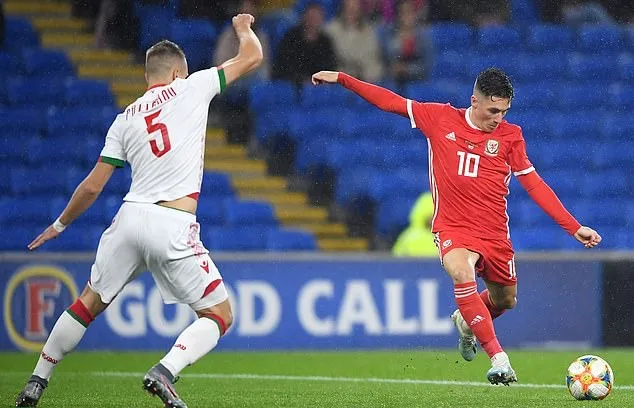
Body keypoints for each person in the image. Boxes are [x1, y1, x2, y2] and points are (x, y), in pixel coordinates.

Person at [15, 14, 263, 408]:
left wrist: (60, 223)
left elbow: (94, 185)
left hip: (129, 220)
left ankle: (35, 382)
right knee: (219, 315)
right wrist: (243, 28)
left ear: (148, 76)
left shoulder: (124, 119)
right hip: (173, 222)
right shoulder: (192, 87)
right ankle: (164, 371)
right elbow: (251, 57)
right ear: (179, 71)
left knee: (85, 305)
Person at [311, 68, 601, 385]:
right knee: (462, 272)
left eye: (504, 112)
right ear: (473, 101)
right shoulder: (439, 118)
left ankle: (466, 321)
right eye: (493, 111)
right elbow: (389, 102)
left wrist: (573, 227)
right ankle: (499, 359)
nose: (498, 118)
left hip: (494, 234)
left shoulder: (511, 136)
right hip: (453, 228)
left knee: (506, 300)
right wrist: (343, 78)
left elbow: (534, 184)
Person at [272, 2, 336, 83]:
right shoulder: (291, 38)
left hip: (318, 85)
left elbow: (330, 67)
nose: (313, 21)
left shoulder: (325, 42)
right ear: (304, 17)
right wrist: (300, 79)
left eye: (316, 18)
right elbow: (283, 64)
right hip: (292, 83)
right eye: (311, 17)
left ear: (321, 20)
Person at [326, 0, 383, 82]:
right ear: (343, 9)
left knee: (375, 70)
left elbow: (371, 54)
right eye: (348, 7)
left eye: (354, 8)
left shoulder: (369, 30)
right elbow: (337, 54)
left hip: (365, 73)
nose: (351, 11)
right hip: (342, 71)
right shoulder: (331, 29)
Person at [384, 0, 433, 83]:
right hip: (394, 81)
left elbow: (426, 66)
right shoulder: (390, 35)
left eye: (409, 12)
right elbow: (385, 60)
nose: (406, 16)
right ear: (398, 15)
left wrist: (407, 69)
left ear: (415, 14)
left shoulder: (423, 37)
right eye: (402, 12)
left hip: (417, 81)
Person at [392, 191, 437, 256]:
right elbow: (396, 261)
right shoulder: (409, 237)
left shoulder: (448, 237)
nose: (432, 220)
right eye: (430, 215)